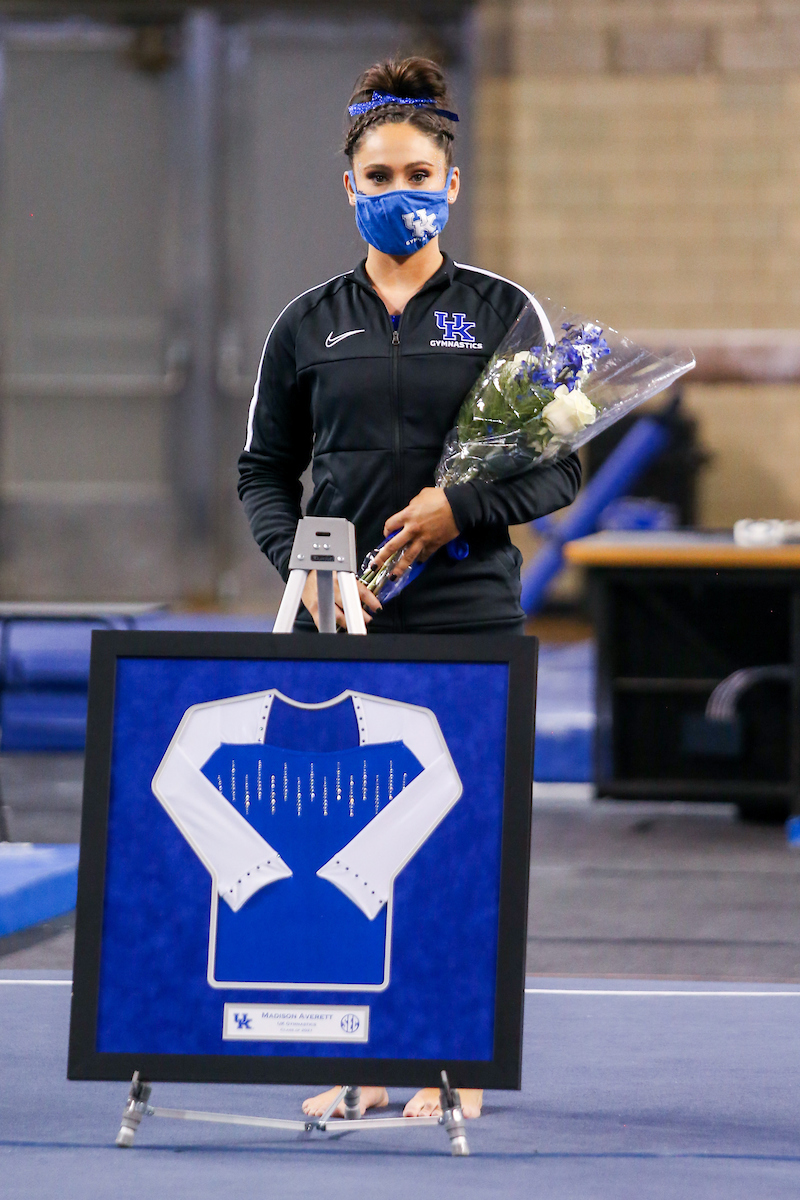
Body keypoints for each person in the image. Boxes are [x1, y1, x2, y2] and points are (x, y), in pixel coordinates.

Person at [238, 56, 581, 1119]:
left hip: (465, 609)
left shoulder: (498, 312)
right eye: (378, 174)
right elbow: (262, 472)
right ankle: (361, 1058)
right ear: (348, 189)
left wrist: (456, 510)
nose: (400, 191)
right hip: (342, 619)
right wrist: (307, 570)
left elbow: (557, 465)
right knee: (345, 842)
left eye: (418, 172)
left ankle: (449, 1060)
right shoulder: (306, 322)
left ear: (451, 182)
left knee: (456, 835)